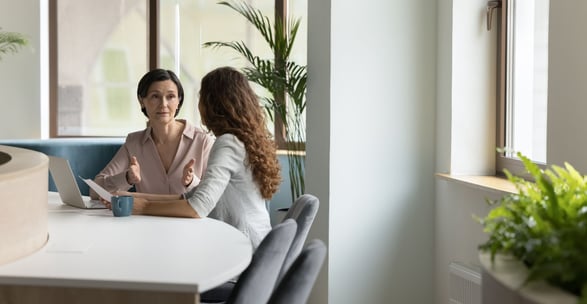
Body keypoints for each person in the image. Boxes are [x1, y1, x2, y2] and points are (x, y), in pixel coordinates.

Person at [104, 66, 282, 249]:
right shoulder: (242, 139)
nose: (199, 106)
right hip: (254, 244)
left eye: (201, 98)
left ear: (214, 104)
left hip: (243, 249)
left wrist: (143, 208)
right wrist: (130, 198)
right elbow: (187, 197)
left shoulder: (227, 143)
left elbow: (198, 206)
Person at [93, 69, 214, 198]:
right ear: (142, 101)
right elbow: (95, 191)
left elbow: (215, 197)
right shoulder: (134, 143)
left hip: (189, 217)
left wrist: (192, 182)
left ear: (179, 101)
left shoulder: (203, 141)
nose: (163, 104)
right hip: (147, 218)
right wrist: (127, 177)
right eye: (155, 96)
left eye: (171, 96)